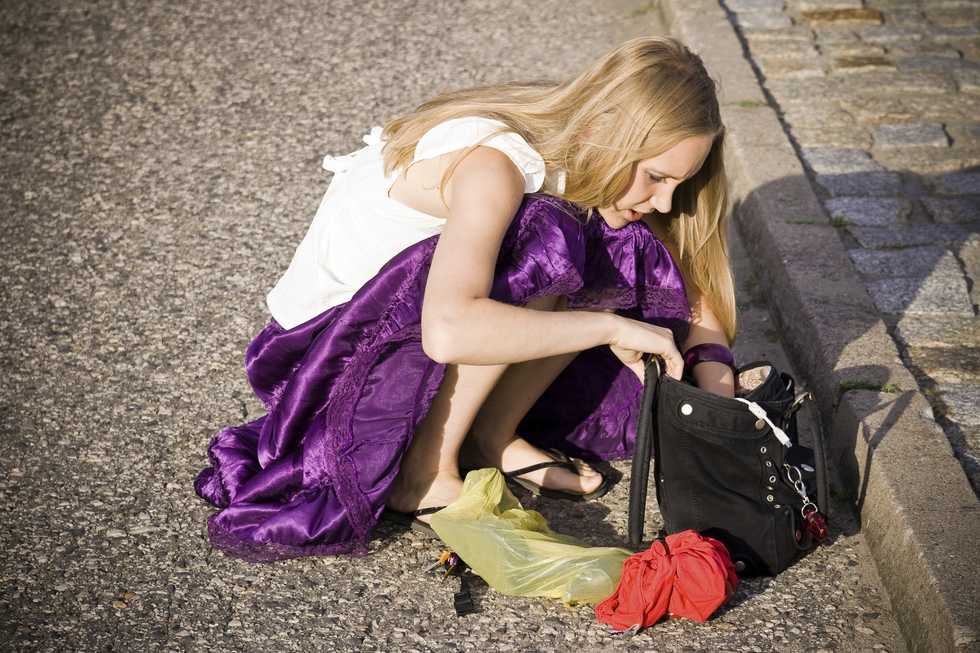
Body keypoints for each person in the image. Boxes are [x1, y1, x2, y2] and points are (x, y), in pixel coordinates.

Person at [194, 36, 737, 562]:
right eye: (657, 177)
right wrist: (609, 326)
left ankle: (490, 437)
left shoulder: (576, 131)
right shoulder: (493, 167)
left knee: (607, 239)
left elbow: (690, 266)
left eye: (677, 184)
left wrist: (719, 390)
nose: (665, 201)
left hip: (388, 326)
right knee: (551, 236)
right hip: (316, 365)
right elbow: (450, 331)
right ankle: (426, 472)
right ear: (607, 132)